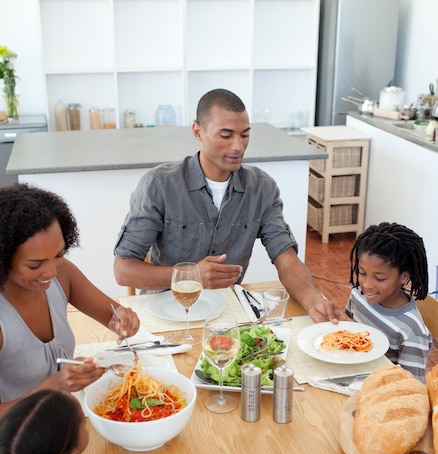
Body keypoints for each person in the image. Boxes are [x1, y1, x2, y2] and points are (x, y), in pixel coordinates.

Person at [113, 88, 347, 324]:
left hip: (226, 315)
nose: (238, 146)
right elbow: (123, 271)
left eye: (244, 135)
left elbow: (286, 259)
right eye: (226, 135)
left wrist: (314, 301)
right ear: (198, 131)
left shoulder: (262, 188)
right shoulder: (160, 184)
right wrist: (192, 276)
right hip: (163, 315)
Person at [0, 183, 140, 419]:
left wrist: (122, 318)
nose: (51, 272)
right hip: (17, 443)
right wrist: (55, 386)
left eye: (58, 255)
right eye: (35, 265)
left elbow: (112, 313)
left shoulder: (62, 275)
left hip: (65, 419)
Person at [347, 222, 431, 381]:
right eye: (362, 273)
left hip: (382, 393)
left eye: (380, 278)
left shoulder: (412, 332)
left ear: (404, 277)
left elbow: (410, 388)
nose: (366, 284)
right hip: (348, 375)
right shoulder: (358, 295)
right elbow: (347, 332)